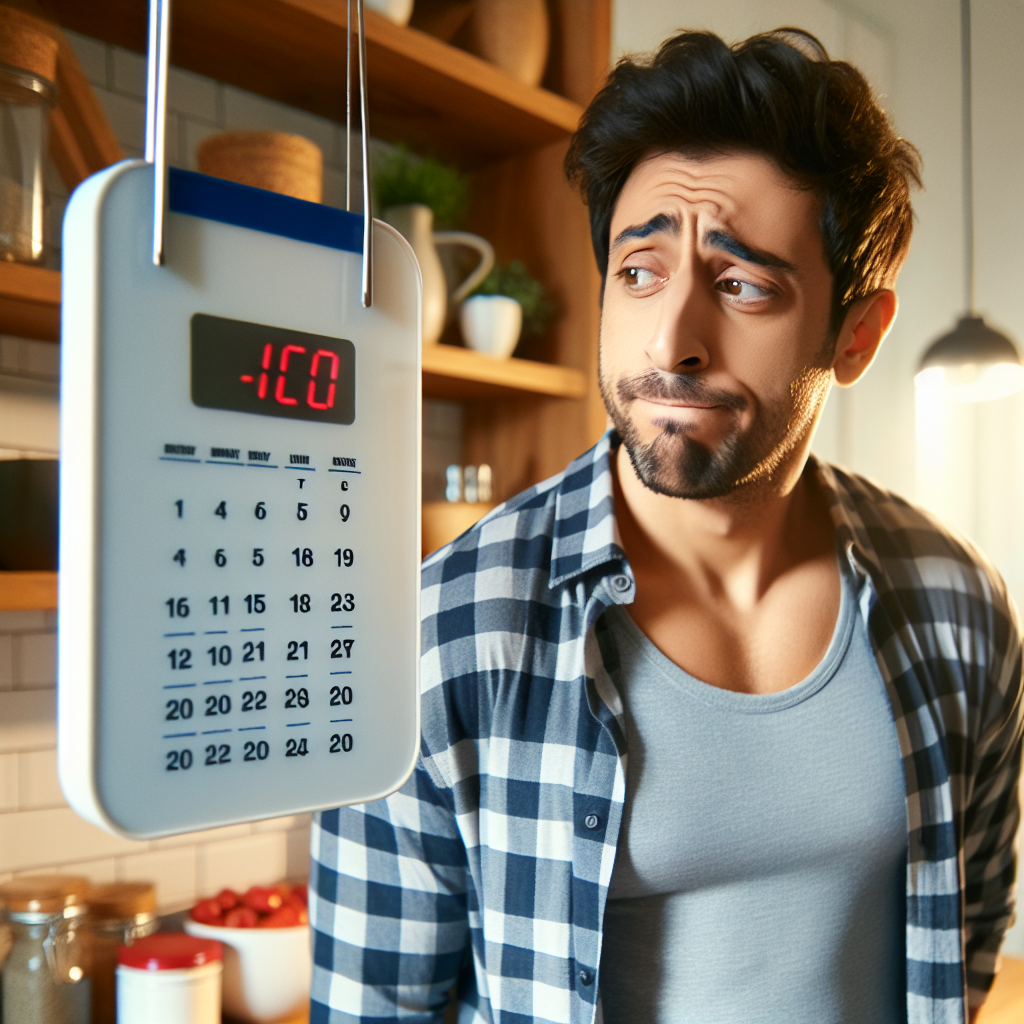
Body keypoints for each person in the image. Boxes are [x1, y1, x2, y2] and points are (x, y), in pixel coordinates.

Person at [310, 28, 1022, 1024]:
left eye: (742, 285)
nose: (669, 341)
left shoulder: (958, 604)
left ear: (854, 333)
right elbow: (372, 1007)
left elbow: (971, 925)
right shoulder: (440, 630)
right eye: (639, 270)